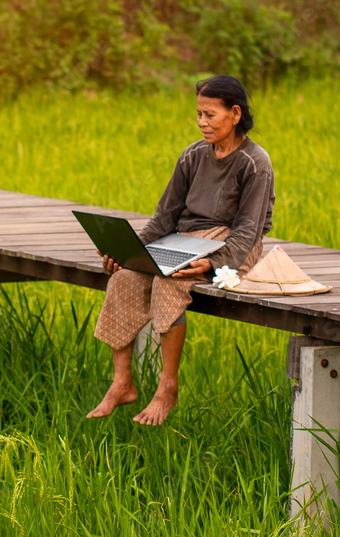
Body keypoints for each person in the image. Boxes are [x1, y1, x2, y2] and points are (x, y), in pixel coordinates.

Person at [86, 75, 275, 426]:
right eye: (198, 115)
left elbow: (248, 231)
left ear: (235, 114)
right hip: (184, 240)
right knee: (125, 280)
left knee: (169, 282)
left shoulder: (254, 163)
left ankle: (167, 387)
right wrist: (131, 252)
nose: (202, 122)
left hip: (230, 244)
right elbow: (165, 216)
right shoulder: (192, 155)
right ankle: (122, 382)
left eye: (210, 115)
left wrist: (211, 261)